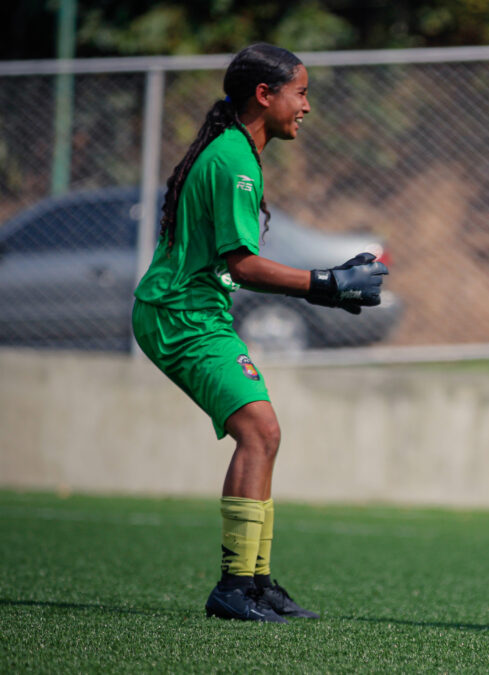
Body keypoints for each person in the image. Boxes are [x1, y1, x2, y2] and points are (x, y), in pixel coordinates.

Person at [131, 43, 387, 623]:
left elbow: (233, 268)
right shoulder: (233, 159)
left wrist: (327, 286)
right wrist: (327, 283)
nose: (307, 106)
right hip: (180, 313)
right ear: (264, 96)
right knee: (260, 429)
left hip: (197, 311)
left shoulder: (236, 152)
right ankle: (234, 587)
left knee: (263, 434)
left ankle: (255, 581)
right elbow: (243, 266)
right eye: (300, 93)